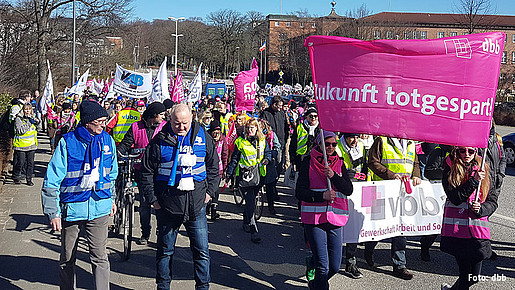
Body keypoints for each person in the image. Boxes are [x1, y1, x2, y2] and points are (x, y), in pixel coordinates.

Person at [140, 103, 219, 290]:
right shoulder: (159, 140)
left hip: (196, 206)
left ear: (192, 119)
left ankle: (203, 287)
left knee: (202, 252)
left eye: (185, 123)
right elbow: (146, 172)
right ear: (169, 120)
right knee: (165, 252)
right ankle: (163, 286)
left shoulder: (203, 137)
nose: (182, 127)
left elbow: (214, 167)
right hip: (168, 207)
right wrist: (153, 199)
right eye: (177, 124)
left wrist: (209, 194)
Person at [41, 101, 118, 290]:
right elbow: (51, 179)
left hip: (100, 206)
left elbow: (112, 174)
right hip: (72, 209)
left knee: (100, 256)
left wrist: (112, 198)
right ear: (87, 122)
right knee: (67, 258)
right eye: (99, 121)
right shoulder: (67, 142)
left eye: (104, 121)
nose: (103, 124)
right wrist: (53, 212)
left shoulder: (108, 141)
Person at [295, 130, 353, 290]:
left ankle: (315, 283)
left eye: (334, 144)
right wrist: (322, 196)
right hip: (314, 219)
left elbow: (348, 189)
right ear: (319, 144)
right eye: (327, 144)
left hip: (336, 219)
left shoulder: (340, 162)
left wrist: (334, 176)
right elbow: (299, 192)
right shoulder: (308, 162)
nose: (331, 147)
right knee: (323, 267)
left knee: (334, 267)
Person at [366, 136, 422, 280]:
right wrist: (390, 175)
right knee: (380, 227)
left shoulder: (411, 142)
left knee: (400, 228)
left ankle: (399, 266)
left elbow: (415, 163)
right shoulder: (382, 140)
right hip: (384, 190)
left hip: (404, 192)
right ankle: (369, 247)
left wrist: (416, 176)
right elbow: (372, 162)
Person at [440, 147, 492, 290]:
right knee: (465, 276)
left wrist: (481, 209)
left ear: (476, 152)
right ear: (457, 151)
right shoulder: (449, 168)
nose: (466, 154)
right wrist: (474, 181)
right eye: (462, 151)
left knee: (474, 277)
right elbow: (455, 198)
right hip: (458, 231)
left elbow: (492, 200)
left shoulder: (484, 168)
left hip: (477, 231)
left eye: (471, 151)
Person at [117, 102, 167, 245]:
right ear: (153, 115)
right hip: (141, 171)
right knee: (145, 203)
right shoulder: (136, 127)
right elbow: (126, 144)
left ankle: (160, 232)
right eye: (161, 114)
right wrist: (118, 154)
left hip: (160, 171)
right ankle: (145, 232)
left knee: (160, 204)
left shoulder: (164, 127)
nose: (164, 117)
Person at [226, 118, 272, 243]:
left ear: (257, 128)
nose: (250, 130)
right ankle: (253, 230)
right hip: (244, 176)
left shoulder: (262, 140)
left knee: (250, 202)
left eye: (253, 127)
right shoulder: (240, 141)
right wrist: (229, 174)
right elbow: (234, 159)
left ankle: (246, 221)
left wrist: (267, 159)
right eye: (248, 127)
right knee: (250, 201)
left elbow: (268, 153)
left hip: (258, 176)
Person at [337, 133, 367, 279]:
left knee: (353, 227)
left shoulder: (361, 145)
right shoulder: (336, 147)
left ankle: (350, 262)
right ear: (345, 137)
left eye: (357, 137)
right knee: (338, 226)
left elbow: (366, 166)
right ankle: (333, 259)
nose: (355, 140)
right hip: (340, 190)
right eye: (351, 138)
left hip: (358, 190)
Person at [420, 144, 453, 262]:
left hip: (453, 192)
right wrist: (449, 172)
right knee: (436, 225)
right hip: (438, 193)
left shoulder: (461, 152)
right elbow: (429, 172)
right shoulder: (438, 152)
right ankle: (425, 247)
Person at [206, 119, 228, 220]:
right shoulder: (207, 139)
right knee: (207, 187)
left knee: (216, 189)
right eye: (214, 133)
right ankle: (207, 206)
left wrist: (224, 168)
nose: (216, 135)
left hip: (218, 169)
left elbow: (225, 154)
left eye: (218, 133)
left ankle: (214, 210)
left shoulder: (222, 140)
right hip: (207, 168)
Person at [261, 96, 289, 174]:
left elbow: (286, 127)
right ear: (274, 104)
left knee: (279, 162)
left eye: (281, 106)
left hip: (281, 142)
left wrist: (285, 139)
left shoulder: (282, 113)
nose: (280, 108)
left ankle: (276, 179)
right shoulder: (265, 113)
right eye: (279, 106)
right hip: (269, 143)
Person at [13, 103, 39, 185]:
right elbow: (20, 131)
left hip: (31, 144)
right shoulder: (19, 118)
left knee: (30, 163)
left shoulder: (33, 117)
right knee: (21, 162)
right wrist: (29, 123)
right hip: (21, 145)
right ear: (23, 110)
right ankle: (16, 176)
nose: (28, 111)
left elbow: (39, 129)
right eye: (26, 109)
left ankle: (29, 179)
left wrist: (38, 123)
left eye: (29, 109)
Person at [259, 119, 281, 215]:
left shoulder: (271, 134)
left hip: (269, 163)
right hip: (257, 163)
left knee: (270, 187)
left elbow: (277, 146)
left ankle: (271, 206)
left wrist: (272, 155)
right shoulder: (252, 135)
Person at [289, 105, 320, 171]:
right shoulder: (300, 127)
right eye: (311, 116)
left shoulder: (321, 128)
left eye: (315, 116)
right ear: (307, 117)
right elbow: (293, 145)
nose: (313, 118)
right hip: (301, 159)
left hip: (317, 159)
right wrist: (293, 160)